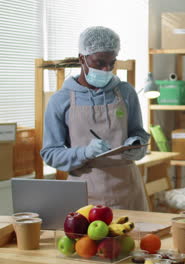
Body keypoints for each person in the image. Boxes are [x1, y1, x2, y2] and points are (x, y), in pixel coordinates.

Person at [41, 26, 149, 210]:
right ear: (82, 58)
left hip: (128, 189)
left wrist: (136, 144)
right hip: (85, 192)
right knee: (86, 239)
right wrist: (84, 153)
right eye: (100, 63)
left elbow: (139, 133)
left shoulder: (125, 92)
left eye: (111, 63)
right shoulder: (61, 99)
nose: (107, 69)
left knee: (135, 238)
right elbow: (50, 153)